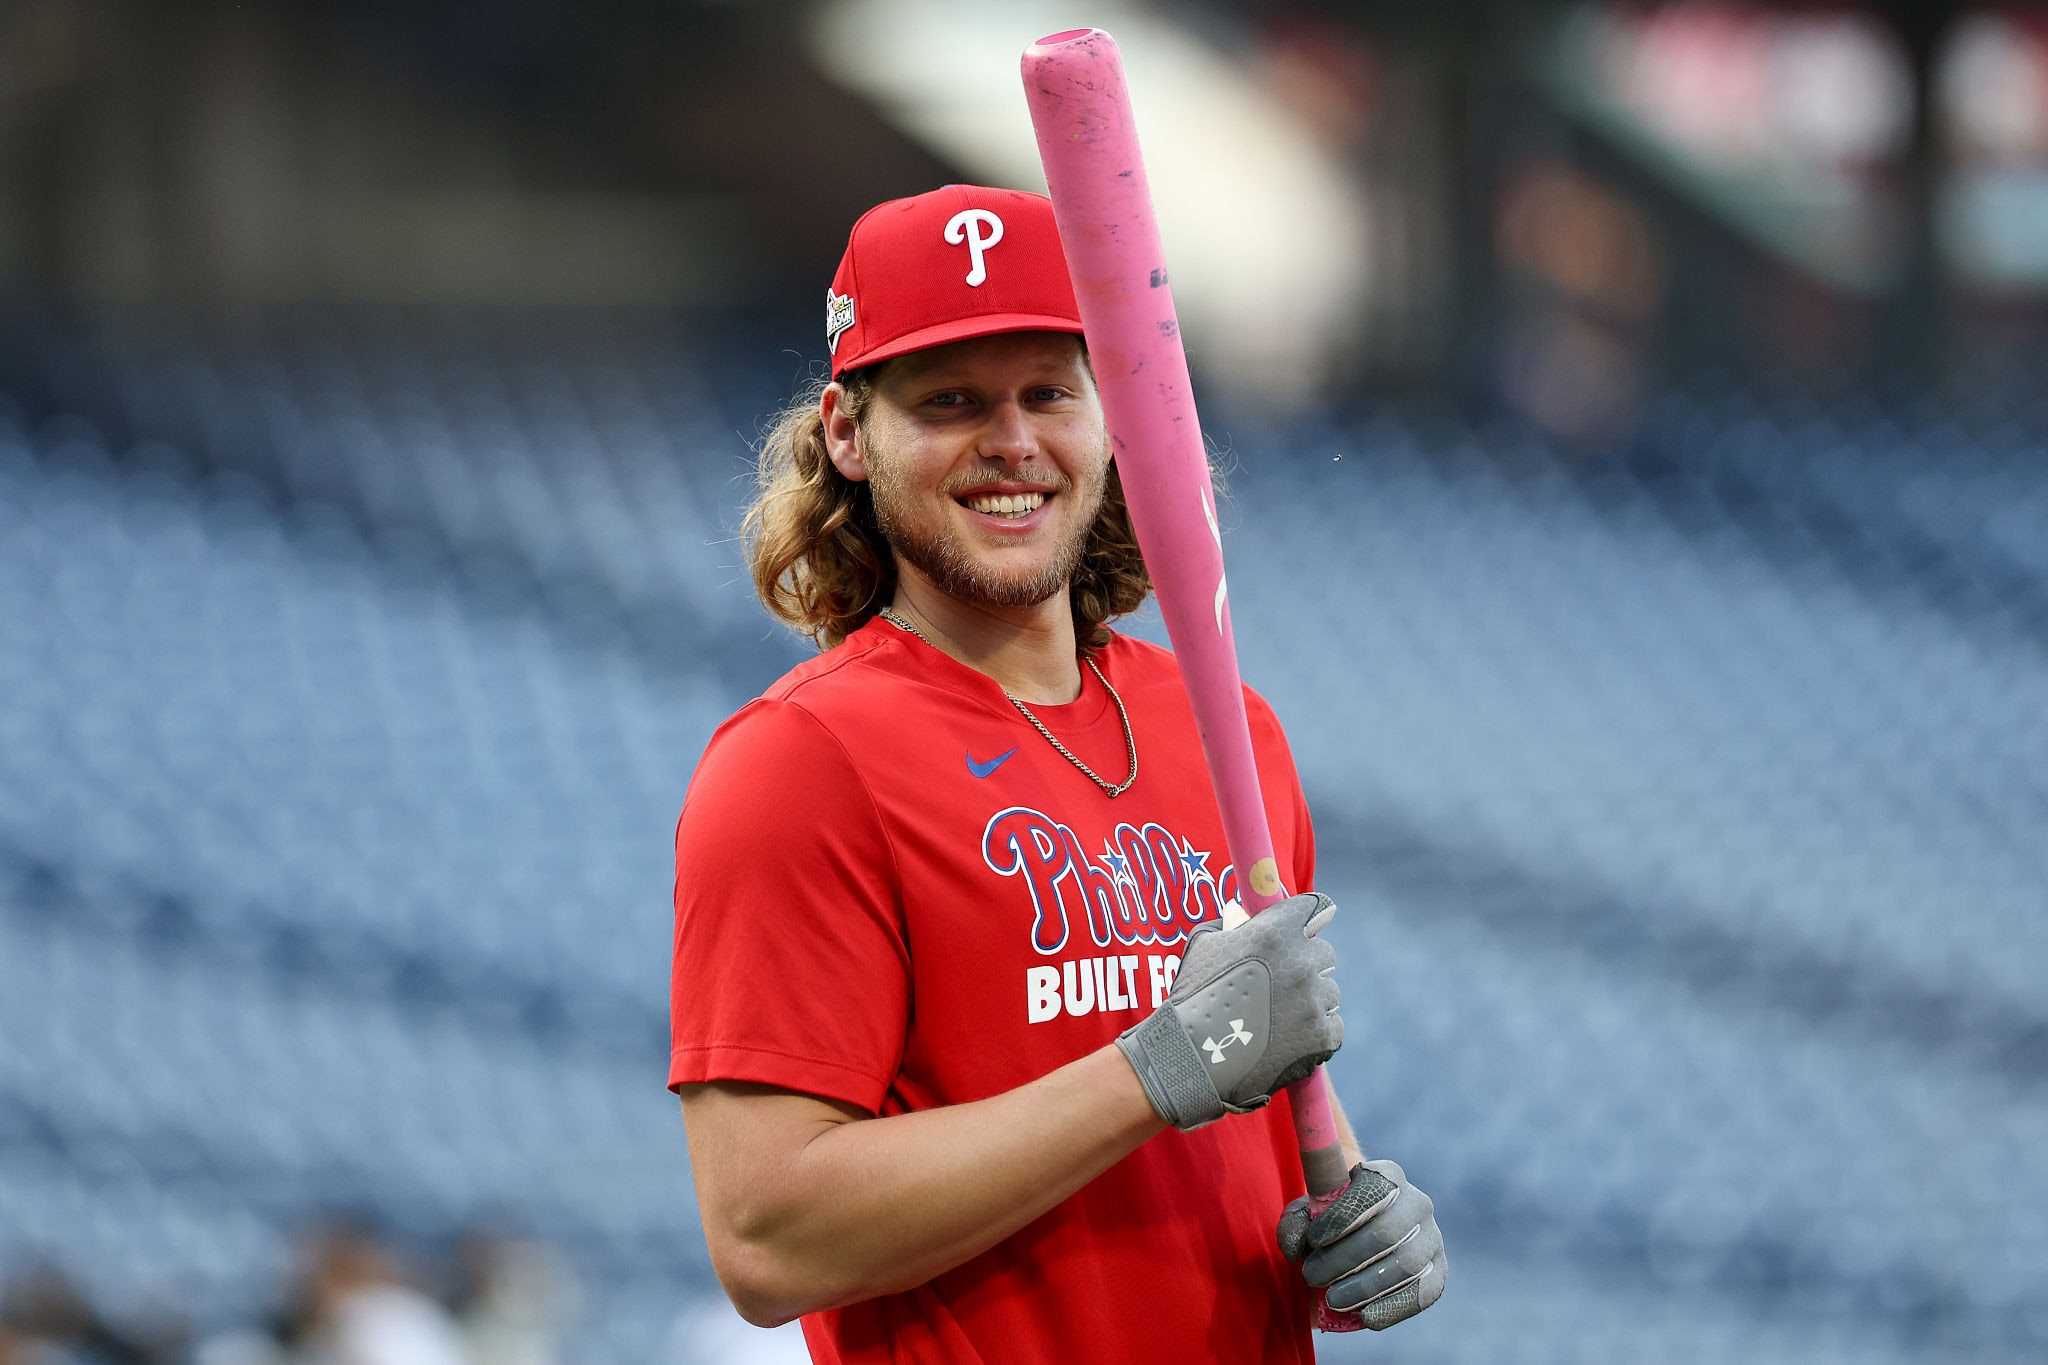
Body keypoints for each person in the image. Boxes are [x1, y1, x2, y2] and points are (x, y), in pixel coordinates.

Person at [670, 184, 1445, 1364]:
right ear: (847, 434)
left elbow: (1237, 1108)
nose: (1011, 442)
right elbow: (767, 1240)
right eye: (948, 401)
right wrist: (1156, 1069)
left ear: (1110, 416)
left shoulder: (1227, 728)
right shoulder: (799, 763)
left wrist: (1343, 1219)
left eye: (1048, 393)